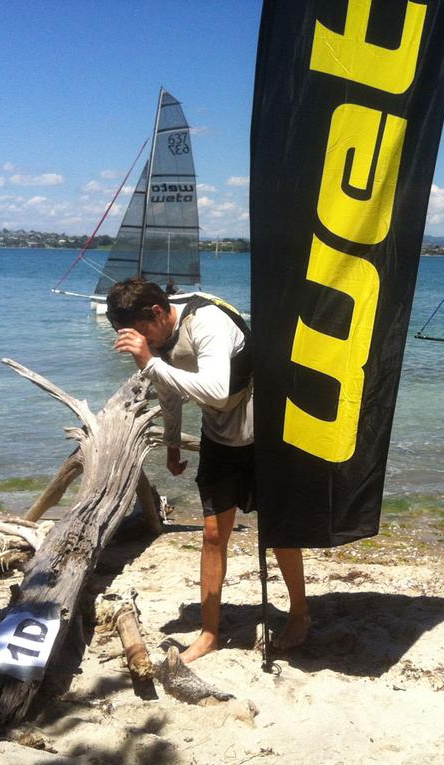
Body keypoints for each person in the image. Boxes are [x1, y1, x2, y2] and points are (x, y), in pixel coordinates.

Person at [106, 276, 309, 663]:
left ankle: (299, 614)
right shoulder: (159, 343)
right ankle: (210, 632)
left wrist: (147, 361)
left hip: (264, 433)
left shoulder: (208, 321)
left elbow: (215, 389)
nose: (141, 341)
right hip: (218, 437)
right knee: (213, 535)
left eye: (142, 331)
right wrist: (170, 442)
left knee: (279, 531)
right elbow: (167, 390)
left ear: (159, 311)